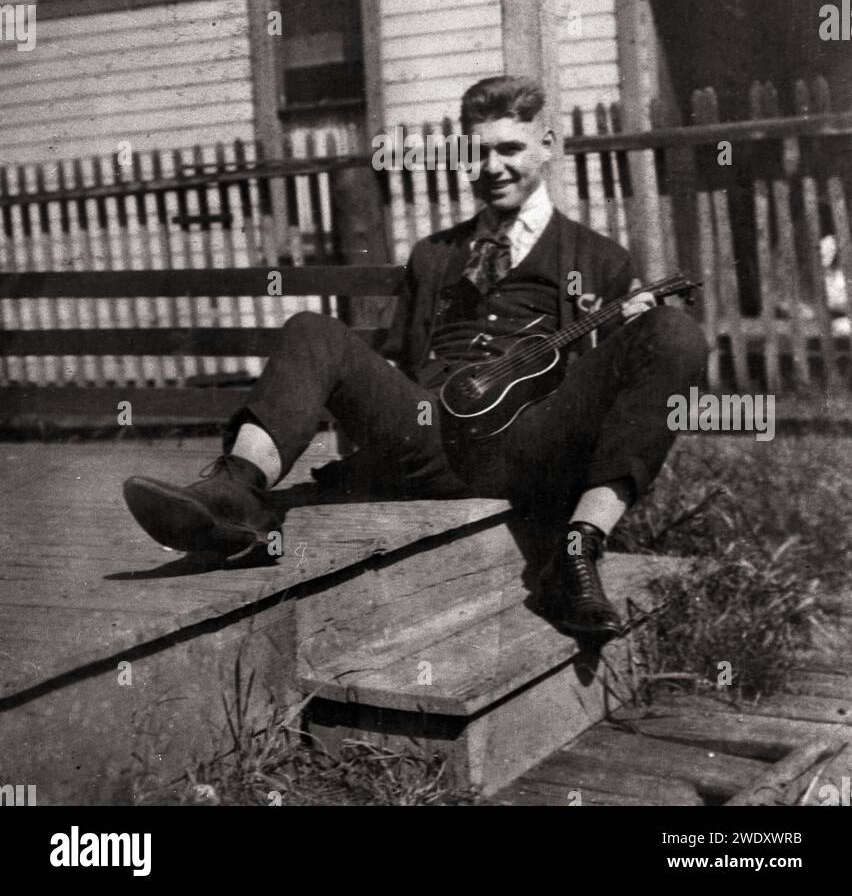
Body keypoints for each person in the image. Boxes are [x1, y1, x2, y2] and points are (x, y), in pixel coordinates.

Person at [124, 75, 707, 641]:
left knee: (675, 333)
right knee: (311, 327)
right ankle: (236, 498)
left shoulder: (599, 258)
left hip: (531, 447)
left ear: (548, 147)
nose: (493, 168)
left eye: (511, 149)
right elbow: (397, 361)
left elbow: (604, 400)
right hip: (430, 439)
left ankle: (578, 553)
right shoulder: (434, 255)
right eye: (479, 153)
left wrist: (628, 334)